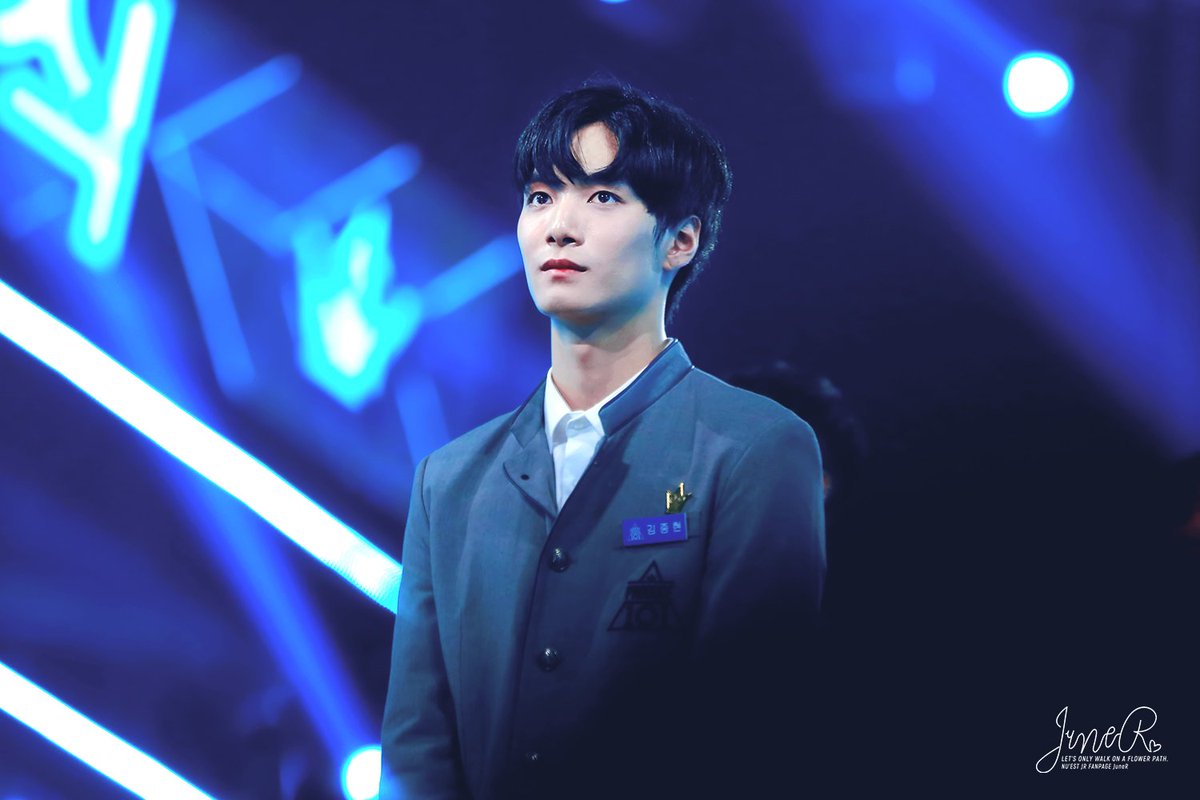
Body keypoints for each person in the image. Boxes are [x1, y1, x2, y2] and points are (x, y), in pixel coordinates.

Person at [380, 81, 826, 800]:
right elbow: (416, 749)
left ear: (680, 241)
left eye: (602, 197)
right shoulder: (449, 479)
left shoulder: (754, 449)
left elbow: (752, 728)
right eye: (540, 196)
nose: (559, 226)